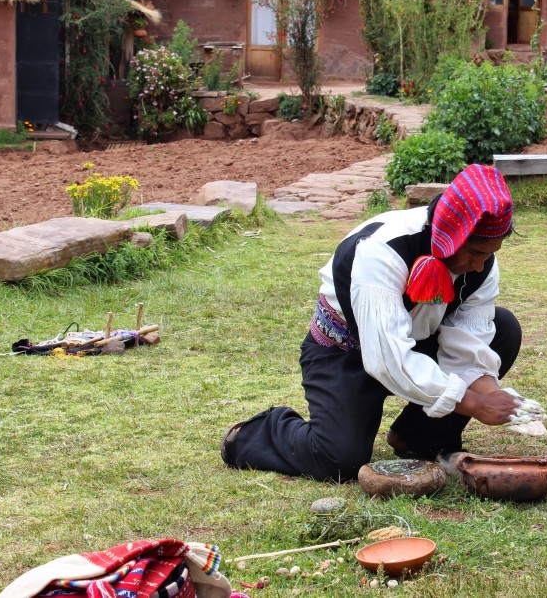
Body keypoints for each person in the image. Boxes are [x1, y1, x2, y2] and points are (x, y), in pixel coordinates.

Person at [221, 164, 530, 481]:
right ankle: (255, 433)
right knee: (339, 461)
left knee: (503, 328)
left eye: (489, 254)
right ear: (452, 234)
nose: (479, 265)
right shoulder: (382, 249)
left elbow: (470, 343)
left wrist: (492, 394)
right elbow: (387, 357)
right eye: (475, 252)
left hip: (418, 342)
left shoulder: (481, 266)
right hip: (347, 350)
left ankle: (419, 438)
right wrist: (474, 403)